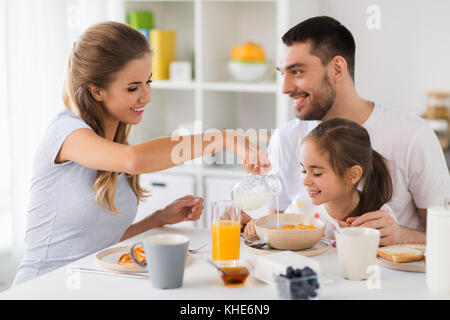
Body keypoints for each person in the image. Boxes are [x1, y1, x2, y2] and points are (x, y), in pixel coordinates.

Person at [13, 21, 269, 286]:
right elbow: (134, 160)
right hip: (43, 286)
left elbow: (101, 243)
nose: (146, 96)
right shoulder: (66, 133)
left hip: (90, 283)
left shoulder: (114, 144)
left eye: (148, 82)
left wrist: (158, 219)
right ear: (96, 91)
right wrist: (223, 138)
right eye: (133, 87)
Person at [244, 16, 450, 245]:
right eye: (283, 73)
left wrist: (402, 236)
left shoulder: (413, 135)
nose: (285, 88)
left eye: (297, 72)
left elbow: (446, 235)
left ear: (337, 69)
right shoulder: (285, 139)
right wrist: (251, 226)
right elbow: (277, 230)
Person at [245, 118, 394, 243]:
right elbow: (279, 244)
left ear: (352, 175)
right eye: (304, 170)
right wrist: (258, 236)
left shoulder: (378, 217)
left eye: (316, 173)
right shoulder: (300, 208)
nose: (305, 181)